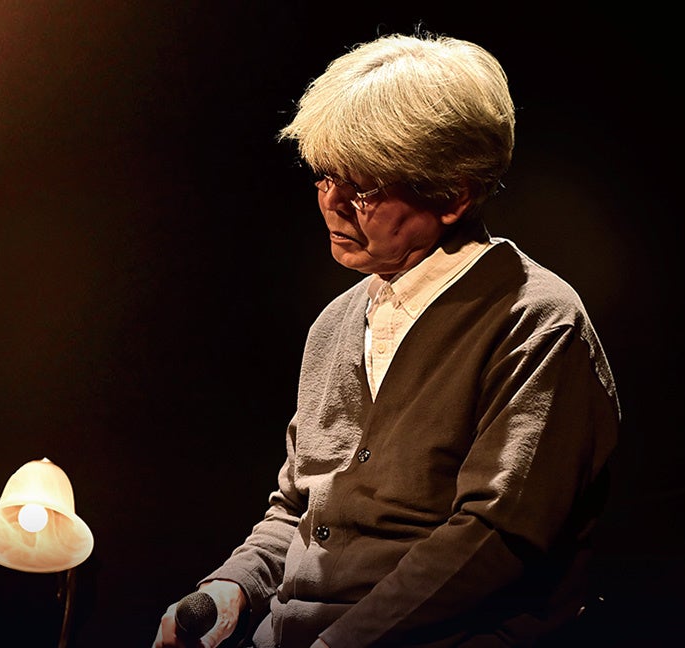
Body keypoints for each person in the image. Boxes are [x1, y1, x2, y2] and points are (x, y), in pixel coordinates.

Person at [152, 31, 620, 648]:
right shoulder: (334, 325)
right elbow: (299, 508)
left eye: (364, 189)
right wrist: (231, 587)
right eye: (325, 176)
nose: (332, 204)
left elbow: (494, 537)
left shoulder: (537, 321)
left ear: (454, 195)